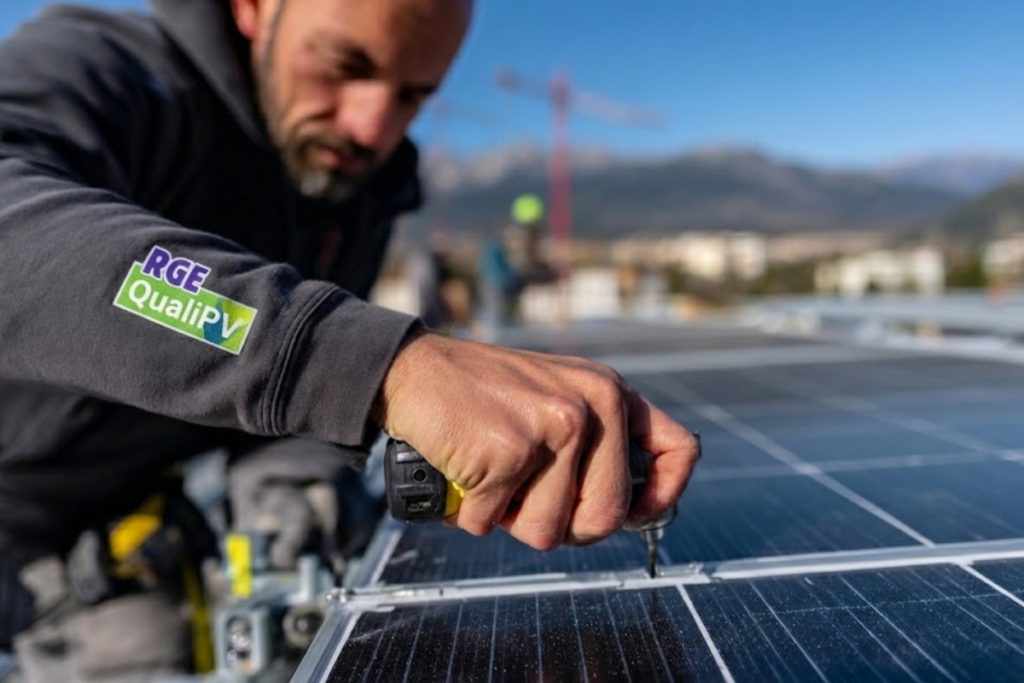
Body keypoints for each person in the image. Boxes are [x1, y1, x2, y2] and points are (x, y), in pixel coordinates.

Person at [0, 0, 701, 678]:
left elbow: (278, 394)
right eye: (343, 64)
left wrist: (301, 471)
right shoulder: (108, 70)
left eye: (413, 96)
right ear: (253, 8)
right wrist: (378, 362)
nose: (372, 125)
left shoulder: (358, 185)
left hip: (140, 523)